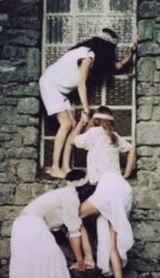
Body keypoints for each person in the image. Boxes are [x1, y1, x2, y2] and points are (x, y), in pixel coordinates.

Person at [39, 28, 137, 179]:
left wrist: (132, 51)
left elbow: (117, 66)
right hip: (50, 85)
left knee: (72, 123)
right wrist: (86, 110)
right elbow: (81, 84)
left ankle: (66, 167)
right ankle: (54, 168)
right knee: (65, 124)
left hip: (61, 91)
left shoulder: (93, 57)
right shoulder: (87, 56)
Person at [4, 170, 95, 278]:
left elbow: (63, 226)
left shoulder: (63, 193)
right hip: (32, 224)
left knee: (34, 265)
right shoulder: (71, 197)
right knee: (55, 264)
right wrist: (79, 259)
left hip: (20, 225)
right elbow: (74, 231)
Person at [69, 106, 135, 278]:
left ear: (96, 121)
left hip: (107, 187)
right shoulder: (114, 136)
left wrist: (81, 123)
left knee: (75, 215)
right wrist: (126, 173)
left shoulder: (95, 132)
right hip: (123, 189)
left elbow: (72, 140)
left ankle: (87, 258)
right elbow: (132, 148)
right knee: (113, 245)